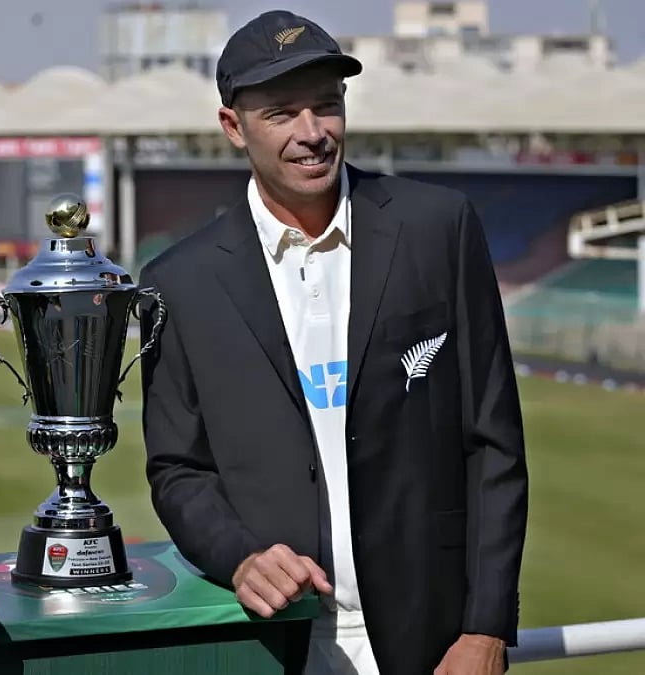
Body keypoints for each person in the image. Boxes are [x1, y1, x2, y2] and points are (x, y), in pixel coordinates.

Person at [138, 10, 528, 675]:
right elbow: (178, 468)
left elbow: (493, 442)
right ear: (233, 126)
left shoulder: (439, 228)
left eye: (326, 105)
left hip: (435, 641)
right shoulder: (178, 282)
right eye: (281, 114)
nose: (313, 132)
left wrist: (485, 628)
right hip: (272, 641)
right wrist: (240, 557)